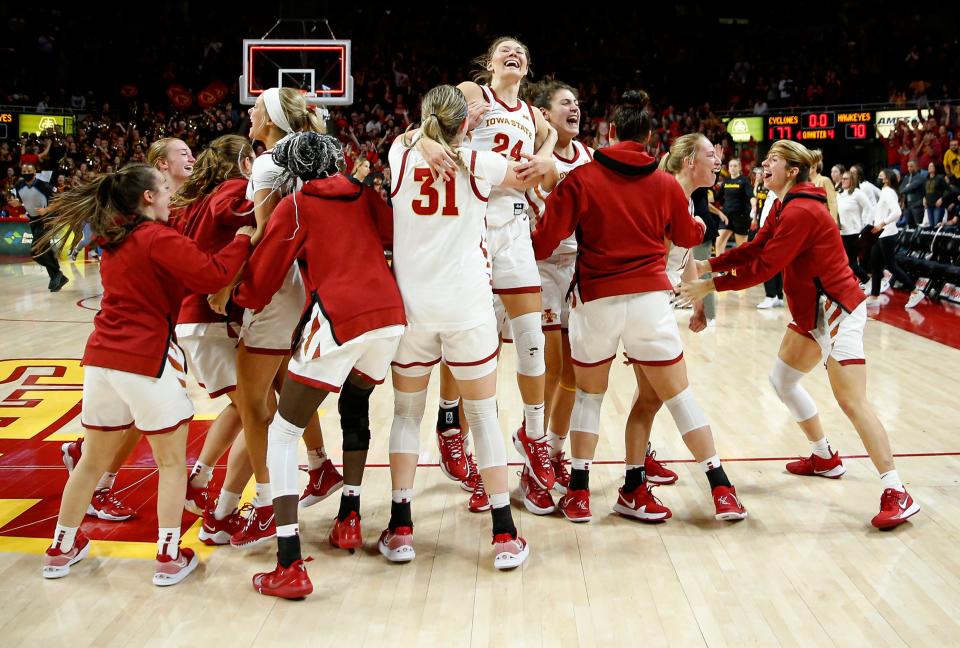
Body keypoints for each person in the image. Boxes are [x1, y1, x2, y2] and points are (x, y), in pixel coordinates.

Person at [680, 140, 920, 529]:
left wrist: (710, 286)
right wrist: (708, 262)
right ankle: (823, 455)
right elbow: (756, 248)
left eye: (772, 160)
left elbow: (765, 267)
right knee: (783, 379)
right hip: (813, 313)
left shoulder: (803, 211)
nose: (763, 165)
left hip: (836, 310)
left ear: (792, 170)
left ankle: (897, 490)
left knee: (853, 402)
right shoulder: (783, 205)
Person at [532, 92, 748, 524]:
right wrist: (700, 225)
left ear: (609, 134)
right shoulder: (666, 184)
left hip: (596, 300)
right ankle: (719, 488)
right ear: (650, 138)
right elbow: (687, 235)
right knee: (680, 397)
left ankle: (577, 492)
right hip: (650, 301)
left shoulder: (582, 178)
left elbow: (544, 241)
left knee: (589, 398)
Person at [39, 164, 254, 584]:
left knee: (91, 462)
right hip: (143, 359)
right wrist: (242, 241)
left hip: (101, 360)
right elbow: (212, 275)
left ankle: (61, 548)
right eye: (165, 189)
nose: (171, 194)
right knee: (172, 463)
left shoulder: (114, 238)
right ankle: (169, 556)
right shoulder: (155, 238)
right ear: (148, 197)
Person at [235, 132, 405, 599]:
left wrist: (238, 294)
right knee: (356, 408)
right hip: (389, 316)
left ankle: (288, 561)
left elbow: (264, 278)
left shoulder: (295, 204)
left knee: (284, 432)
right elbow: (395, 236)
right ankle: (349, 518)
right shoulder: (364, 195)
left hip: (338, 316)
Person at [382, 84, 532, 569]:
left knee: (406, 415)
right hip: (467, 306)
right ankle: (504, 532)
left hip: (413, 309)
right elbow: (525, 174)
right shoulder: (480, 161)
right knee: (485, 416)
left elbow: (411, 138)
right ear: (465, 124)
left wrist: (423, 138)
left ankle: (401, 526)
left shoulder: (400, 153)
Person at [417, 37, 559, 504]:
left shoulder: (535, 117)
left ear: (528, 65)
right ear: (490, 63)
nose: (513, 55)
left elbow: (553, 159)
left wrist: (550, 154)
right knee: (470, 341)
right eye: (504, 51)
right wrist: (424, 138)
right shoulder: (473, 94)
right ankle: (450, 422)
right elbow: (427, 125)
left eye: (521, 51)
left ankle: (534, 437)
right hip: (470, 223)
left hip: (515, 226)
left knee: (531, 339)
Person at [211, 87, 337, 549]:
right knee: (284, 387)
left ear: (273, 118)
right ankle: (321, 467)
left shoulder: (268, 162)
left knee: (251, 404)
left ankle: (267, 505)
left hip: (277, 288)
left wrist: (230, 282)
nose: (250, 110)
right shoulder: (311, 156)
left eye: (258, 106)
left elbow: (266, 234)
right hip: (307, 287)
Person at [520, 80, 592, 510]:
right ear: (545, 115)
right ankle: (531, 462)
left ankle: (554, 451)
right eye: (566, 102)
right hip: (540, 266)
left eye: (578, 102)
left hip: (578, 266)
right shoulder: (532, 156)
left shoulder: (588, 157)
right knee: (547, 369)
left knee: (574, 374)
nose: (575, 108)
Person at [869, 169, 925, 309]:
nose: (878, 177)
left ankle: (915, 291)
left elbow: (897, 212)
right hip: (881, 233)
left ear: (887, 179)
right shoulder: (884, 191)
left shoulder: (888, 192)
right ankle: (874, 296)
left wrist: (883, 223)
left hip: (888, 233)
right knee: (875, 263)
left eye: (880, 175)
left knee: (891, 266)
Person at [14, 164, 68, 291]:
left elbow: (60, 199)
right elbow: (25, 201)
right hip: (33, 221)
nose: (26, 172)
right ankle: (57, 277)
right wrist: (18, 204)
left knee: (36, 251)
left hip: (46, 220)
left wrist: (47, 209)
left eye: (29, 171)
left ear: (34, 172)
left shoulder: (43, 185)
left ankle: (57, 274)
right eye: (24, 171)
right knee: (44, 249)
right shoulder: (18, 185)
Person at [752, 166, 784, 309]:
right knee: (775, 265)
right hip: (765, 230)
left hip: (771, 233)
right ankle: (777, 296)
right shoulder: (768, 191)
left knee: (766, 264)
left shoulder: (778, 192)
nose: (764, 177)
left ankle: (770, 296)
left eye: (767, 175)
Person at [837, 169, 874, 285]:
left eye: (845, 179)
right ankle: (859, 281)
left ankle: (867, 281)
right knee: (846, 261)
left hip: (854, 232)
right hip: (842, 232)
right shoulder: (840, 194)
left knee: (850, 261)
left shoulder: (857, 193)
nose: (842, 181)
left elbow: (869, 208)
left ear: (852, 180)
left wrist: (866, 225)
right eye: (842, 178)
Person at [715, 158, 753, 253]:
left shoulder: (744, 181)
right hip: (726, 216)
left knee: (741, 247)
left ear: (739, 167)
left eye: (735, 166)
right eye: (731, 166)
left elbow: (751, 196)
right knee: (719, 242)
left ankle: (742, 268)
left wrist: (754, 207)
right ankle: (719, 266)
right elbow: (716, 197)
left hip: (740, 217)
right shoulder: (726, 181)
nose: (732, 168)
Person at [899, 160, 927, 228]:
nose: (909, 168)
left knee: (918, 226)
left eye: (911, 166)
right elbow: (901, 188)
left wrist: (906, 188)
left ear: (916, 167)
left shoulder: (920, 177)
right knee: (910, 227)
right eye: (908, 166)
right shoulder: (906, 178)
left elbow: (912, 187)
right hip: (907, 206)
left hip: (917, 205)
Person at [923, 162, 949, 228]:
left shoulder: (939, 178)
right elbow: (925, 191)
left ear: (935, 168)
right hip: (929, 206)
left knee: (936, 225)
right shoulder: (926, 179)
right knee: (931, 226)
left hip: (937, 206)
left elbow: (948, 190)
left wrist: (941, 199)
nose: (929, 167)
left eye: (931, 166)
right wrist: (924, 198)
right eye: (928, 166)